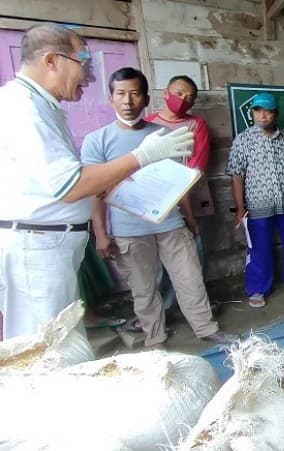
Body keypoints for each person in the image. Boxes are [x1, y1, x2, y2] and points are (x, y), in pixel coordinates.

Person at [0, 23, 193, 340]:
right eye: (84, 63)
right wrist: (142, 156)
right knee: (44, 349)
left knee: (58, 342)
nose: (89, 76)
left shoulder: (43, 107)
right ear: (52, 61)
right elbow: (72, 186)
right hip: (35, 251)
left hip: (49, 245)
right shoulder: (25, 110)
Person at [82, 67, 234, 348]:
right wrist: (101, 233)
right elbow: (94, 191)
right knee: (143, 288)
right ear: (110, 98)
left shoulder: (165, 135)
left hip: (170, 223)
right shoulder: (97, 140)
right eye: (121, 94)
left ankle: (205, 327)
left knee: (190, 278)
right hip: (129, 230)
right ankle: (155, 339)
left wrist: (189, 217)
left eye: (135, 94)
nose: (128, 102)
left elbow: (176, 182)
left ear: (146, 98)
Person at [226, 92, 284, 309]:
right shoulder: (244, 140)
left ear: (276, 114)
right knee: (259, 248)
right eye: (257, 110)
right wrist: (240, 208)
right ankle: (258, 288)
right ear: (253, 113)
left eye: (267, 111)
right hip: (257, 206)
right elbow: (237, 176)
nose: (262, 115)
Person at [146, 75, 213, 312]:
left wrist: (186, 210)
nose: (184, 100)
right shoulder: (148, 124)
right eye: (180, 93)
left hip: (190, 200)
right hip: (155, 203)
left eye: (191, 97)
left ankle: (191, 310)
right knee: (157, 264)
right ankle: (163, 310)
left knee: (192, 257)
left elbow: (195, 168)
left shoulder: (196, 125)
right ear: (166, 93)